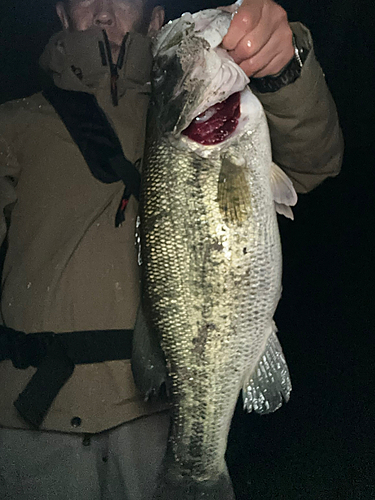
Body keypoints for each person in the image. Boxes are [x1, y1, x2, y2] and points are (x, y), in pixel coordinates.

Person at [0, 0, 343, 499]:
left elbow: (317, 160)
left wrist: (282, 68)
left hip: (161, 416)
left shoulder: (190, 104)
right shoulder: (13, 122)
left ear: (156, 19)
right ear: (60, 14)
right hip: (26, 424)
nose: (101, 13)